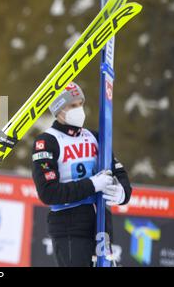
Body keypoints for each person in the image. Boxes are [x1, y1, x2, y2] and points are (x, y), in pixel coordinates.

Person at [31, 82, 132, 267]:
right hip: (69, 226)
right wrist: (92, 185)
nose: (80, 110)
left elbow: (119, 172)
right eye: (73, 106)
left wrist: (122, 192)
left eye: (81, 104)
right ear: (59, 109)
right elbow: (48, 193)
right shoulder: (47, 142)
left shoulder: (95, 137)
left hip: (101, 223)